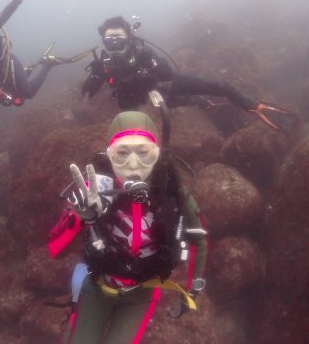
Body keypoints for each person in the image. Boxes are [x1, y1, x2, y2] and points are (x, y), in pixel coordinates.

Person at [49, 111, 207, 344]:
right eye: (122, 154)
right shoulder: (93, 192)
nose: (133, 165)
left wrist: (192, 291)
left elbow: (198, 240)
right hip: (97, 287)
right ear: (109, 155)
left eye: (144, 153)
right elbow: (55, 250)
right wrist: (80, 218)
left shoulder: (174, 195)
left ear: (157, 155)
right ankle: (79, 281)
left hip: (141, 294)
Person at [82, 16, 296, 132]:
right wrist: (95, 77)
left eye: (119, 38)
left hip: (161, 89)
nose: (114, 44)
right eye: (109, 40)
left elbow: (168, 73)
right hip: (135, 102)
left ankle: (254, 106)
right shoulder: (103, 64)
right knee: (170, 105)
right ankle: (199, 102)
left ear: (128, 38)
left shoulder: (141, 51)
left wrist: (149, 70)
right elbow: (88, 94)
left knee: (220, 86)